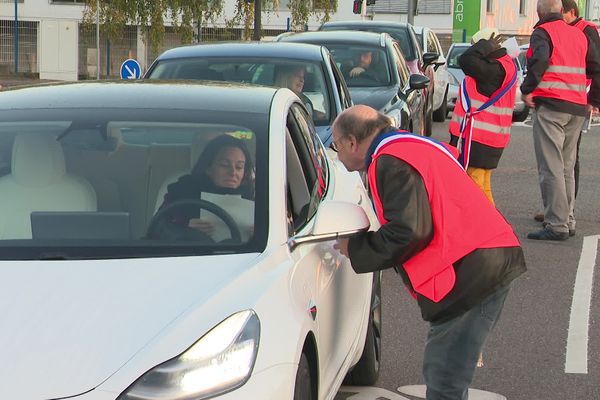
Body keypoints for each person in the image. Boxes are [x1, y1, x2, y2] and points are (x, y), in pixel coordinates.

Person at [331, 104, 526, 400]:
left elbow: (408, 232)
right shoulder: (409, 145)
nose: (337, 153)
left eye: (336, 146)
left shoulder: (389, 161)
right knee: (449, 375)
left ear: (352, 142)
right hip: (483, 260)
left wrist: (354, 247)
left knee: (444, 380)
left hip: (468, 273)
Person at [521, 0, 600, 240]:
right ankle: (568, 220)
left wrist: (527, 88)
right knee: (566, 167)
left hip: (552, 104)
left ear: (539, 12)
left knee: (551, 166)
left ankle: (556, 224)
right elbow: (596, 67)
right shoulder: (578, 35)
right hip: (576, 107)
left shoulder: (542, 32)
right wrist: (593, 100)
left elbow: (539, 61)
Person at [448, 27, 518, 206]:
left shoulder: (493, 69)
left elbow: (465, 60)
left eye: (477, 45)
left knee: (475, 186)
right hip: (490, 138)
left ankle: (487, 227)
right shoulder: (504, 65)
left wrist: (485, 44)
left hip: (480, 138)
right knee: (483, 185)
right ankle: (491, 224)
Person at [157, 134, 254, 241]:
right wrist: (184, 227)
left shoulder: (253, 195)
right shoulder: (183, 189)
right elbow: (158, 226)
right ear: (208, 167)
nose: (233, 172)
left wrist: (259, 233)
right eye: (224, 165)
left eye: (239, 167)